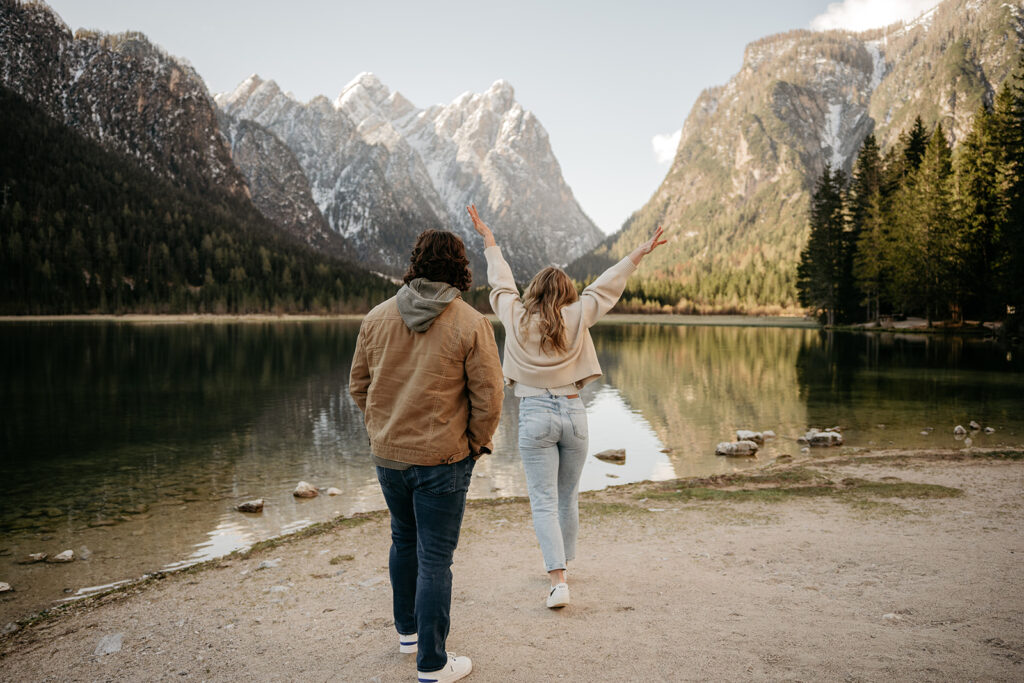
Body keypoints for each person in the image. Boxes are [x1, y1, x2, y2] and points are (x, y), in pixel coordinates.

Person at [467, 204, 666, 609]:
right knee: (567, 495)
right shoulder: (578, 315)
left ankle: (557, 579)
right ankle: (564, 566)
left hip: (536, 414)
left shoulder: (516, 315)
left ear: (535, 290)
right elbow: (607, 287)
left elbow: (501, 283)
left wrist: (490, 242)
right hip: (575, 412)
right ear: (568, 293)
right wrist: (638, 254)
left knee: (542, 498)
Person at [349, 229, 504, 683]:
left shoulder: (376, 318)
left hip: (390, 458)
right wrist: (474, 445)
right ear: (459, 267)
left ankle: (408, 635)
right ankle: (433, 664)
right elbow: (490, 398)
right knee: (435, 557)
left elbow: (359, 387)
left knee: (403, 539)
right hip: (443, 460)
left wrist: (384, 430)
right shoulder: (471, 323)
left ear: (415, 262)